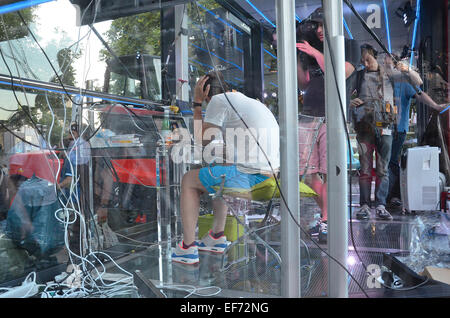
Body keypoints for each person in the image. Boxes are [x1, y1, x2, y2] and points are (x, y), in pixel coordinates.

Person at [172, 71, 280, 265]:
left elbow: (201, 140)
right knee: (222, 166)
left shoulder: (219, 100)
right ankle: (216, 235)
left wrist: (197, 104)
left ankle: (187, 248)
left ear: (206, 91)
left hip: (253, 179)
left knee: (189, 179)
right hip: (271, 178)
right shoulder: (248, 101)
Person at [296, 7, 355, 242]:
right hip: (308, 117)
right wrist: (296, 58)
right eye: (317, 26)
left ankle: (329, 220)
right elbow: (303, 84)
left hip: (331, 118)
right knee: (309, 174)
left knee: (332, 172)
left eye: (323, 25)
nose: (319, 30)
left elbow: (339, 72)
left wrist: (313, 52)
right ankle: (326, 217)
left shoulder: (348, 45)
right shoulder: (312, 50)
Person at [350, 44, 422, 221]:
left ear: (375, 56)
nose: (366, 64)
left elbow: (418, 82)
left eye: (368, 59)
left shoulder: (390, 75)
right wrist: (351, 101)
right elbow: (345, 96)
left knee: (383, 169)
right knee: (365, 169)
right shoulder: (358, 76)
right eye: (363, 61)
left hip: (385, 128)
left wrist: (407, 69)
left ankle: (381, 204)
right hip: (364, 128)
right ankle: (365, 205)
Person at [387, 55, 447, 209]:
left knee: (391, 162)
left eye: (387, 60)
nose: (385, 63)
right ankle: (386, 197)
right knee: (386, 163)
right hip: (383, 128)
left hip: (397, 128)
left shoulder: (403, 81)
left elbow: (419, 92)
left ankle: (391, 196)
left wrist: (435, 106)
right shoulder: (381, 81)